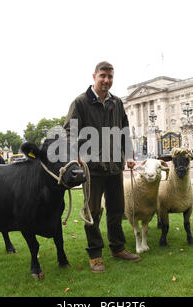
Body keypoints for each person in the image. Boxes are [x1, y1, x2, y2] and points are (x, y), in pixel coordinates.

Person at [64, 61, 140, 273]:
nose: (107, 80)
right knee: (93, 211)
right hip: (92, 168)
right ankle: (96, 254)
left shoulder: (117, 103)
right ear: (94, 77)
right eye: (103, 76)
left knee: (116, 210)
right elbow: (70, 131)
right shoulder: (80, 102)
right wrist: (75, 153)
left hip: (114, 165)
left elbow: (125, 130)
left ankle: (118, 248)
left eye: (110, 77)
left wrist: (129, 155)